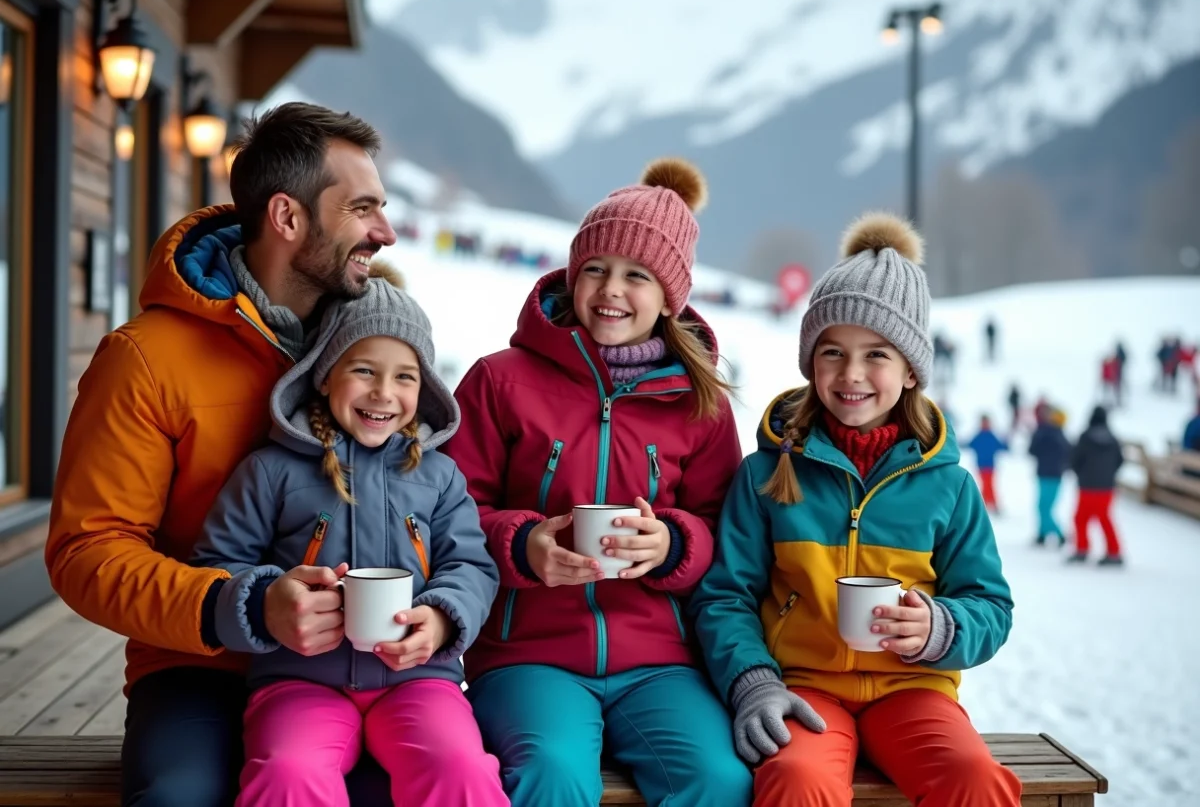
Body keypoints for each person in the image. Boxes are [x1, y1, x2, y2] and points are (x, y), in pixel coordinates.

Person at [45, 102, 398, 806]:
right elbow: (88, 550)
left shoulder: (375, 349)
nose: (384, 233)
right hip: (197, 663)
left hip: (350, 667)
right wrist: (239, 606)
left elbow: (438, 494)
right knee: (179, 797)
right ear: (287, 217)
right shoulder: (144, 360)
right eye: (362, 209)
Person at [444, 158, 752, 807]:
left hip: (660, 661)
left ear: (670, 296)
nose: (611, 289)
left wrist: (671, 543)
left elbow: (726, 528)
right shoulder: (500, 380)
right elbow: (453, 510)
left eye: (637, 275)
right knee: (553, 773)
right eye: (595, 268)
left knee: (718, 778)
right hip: (529, 653)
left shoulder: (700, 403)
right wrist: (523, 544)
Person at [691, 212, 1019, 807]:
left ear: (912, 370)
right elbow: (724, 597)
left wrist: (939, 628)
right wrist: (753, 681)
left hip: (914, 690)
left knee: (974, 777)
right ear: (810, 362)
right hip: (803, 688)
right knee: (797, 779)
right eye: (833, 352)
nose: (852, 374)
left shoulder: (948, 487)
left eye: (876, 355)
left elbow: (990, 605)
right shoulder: (766, 474)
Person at [191, 268, 505, 806]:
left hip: (417, 680)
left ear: (425, 387)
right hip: (298, 680)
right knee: (288, 773)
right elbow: (217, 566)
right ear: (324, 374)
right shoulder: (271, 470)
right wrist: (267, 602)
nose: (384, 392)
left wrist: (442, 618)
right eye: (364, 370)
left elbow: (470, 566)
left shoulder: (438, 476)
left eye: (405, 377)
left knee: (461, 769)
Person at [1067, 406, 1125, 566]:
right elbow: (1120, 460)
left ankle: (1082, 549)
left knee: (1081, 519)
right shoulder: (1113, 439)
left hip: (1087, 486)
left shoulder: (1085, 437)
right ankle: (1114, 552)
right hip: (1107, 488)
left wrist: (1082, 474)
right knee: (1105, 519)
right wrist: (1108, 474)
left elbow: (1075, 459)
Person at [1028, 405, 1071, 546]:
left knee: (1043, 507)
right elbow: (1069, 455)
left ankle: (1057, 533)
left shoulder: (1043, 432)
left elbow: (1032, 450)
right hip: (1055, 475)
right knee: (1044, 506)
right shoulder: (1061, 436)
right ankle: (1043, 533)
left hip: (1045, 474)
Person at [967, 415, 1008, 513]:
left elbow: (1002, 447)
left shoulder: (991, 436)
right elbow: (970, 444)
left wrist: (1006, 441)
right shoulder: (979, 436)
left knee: (989, 485)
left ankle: (988, 504)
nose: (985, 424)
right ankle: (987, 504)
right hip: (981, 465)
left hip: (990, 465)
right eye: (983, 422)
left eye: (986, 422)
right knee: (986, 485)